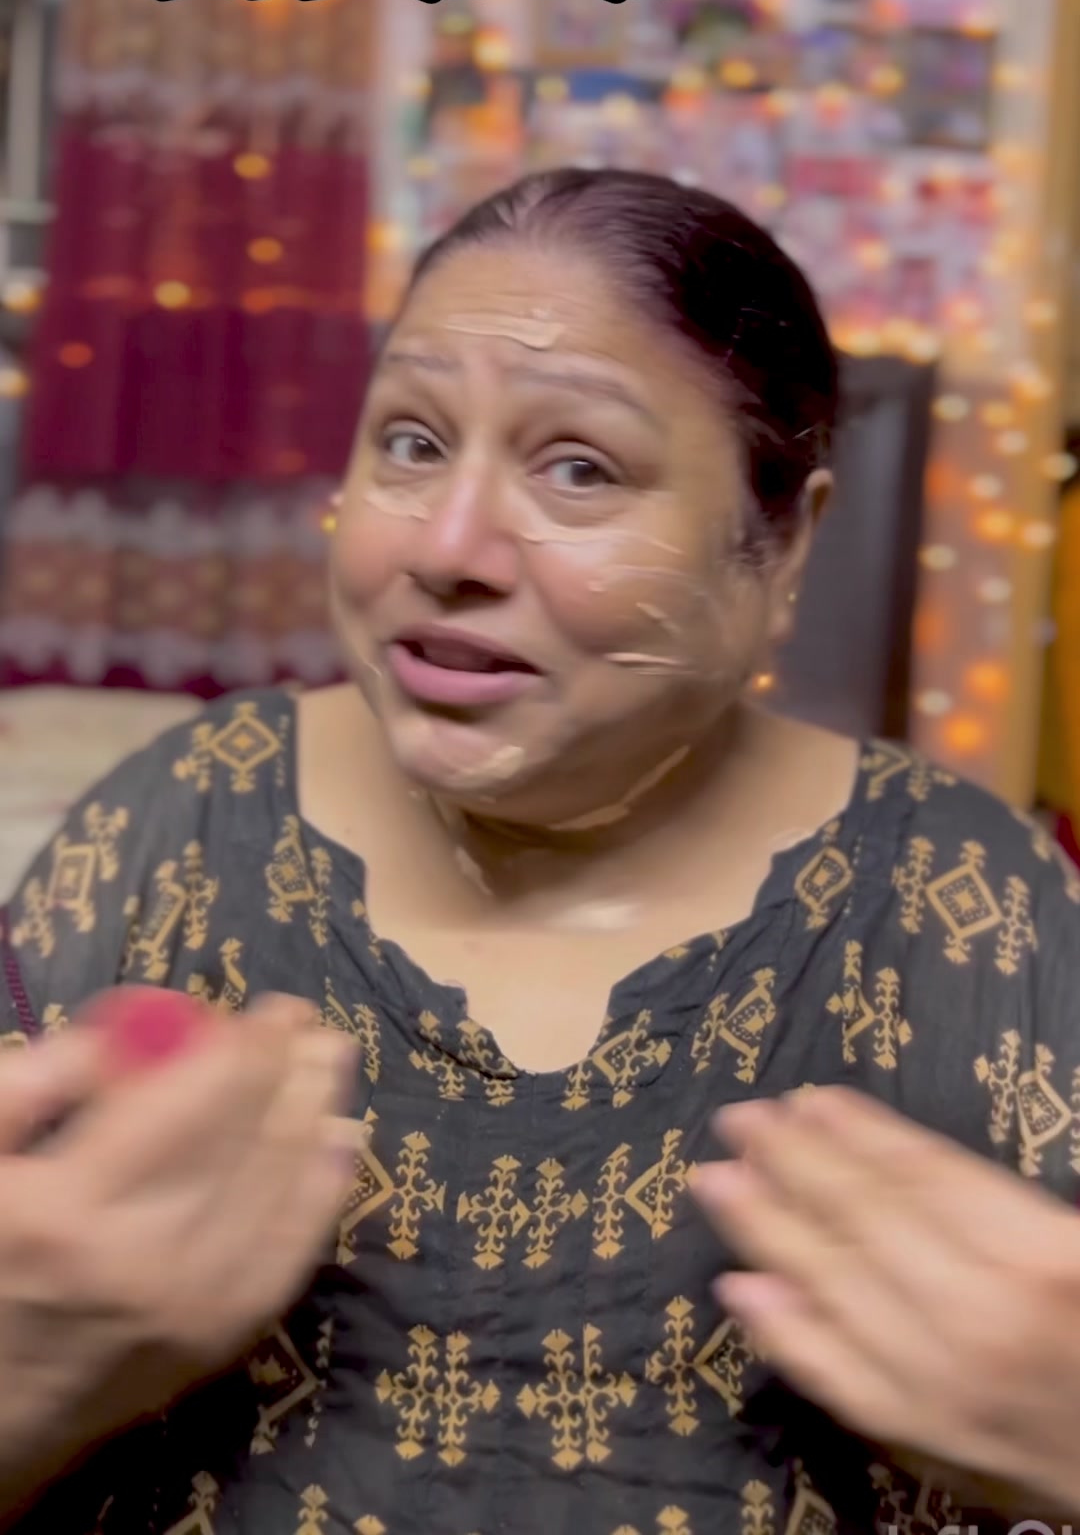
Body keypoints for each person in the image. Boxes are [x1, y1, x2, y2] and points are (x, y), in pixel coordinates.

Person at [2, 164, 1080, 1535]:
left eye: (580, 467)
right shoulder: (171, 828)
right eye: (409, 442)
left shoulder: (970, 901)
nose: (448, 546)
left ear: (778, 548)